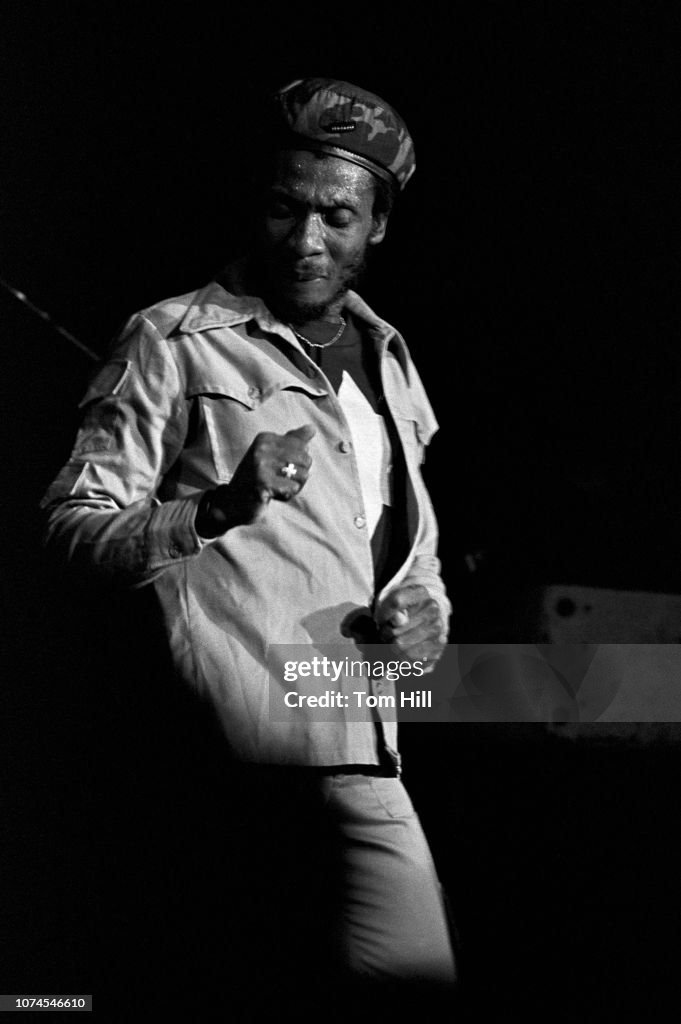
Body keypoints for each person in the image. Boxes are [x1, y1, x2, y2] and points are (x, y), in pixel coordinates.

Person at [41, 78, 457, 1015]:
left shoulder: (392, 360)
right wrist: (216, 509)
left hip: (361, 751)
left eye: (336, 217)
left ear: (377, 226)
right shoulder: (174, 339)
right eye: (283, 207)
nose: (305, 239)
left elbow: (413, 554)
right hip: (221, 766)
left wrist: (424, 617)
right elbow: (70, 530)